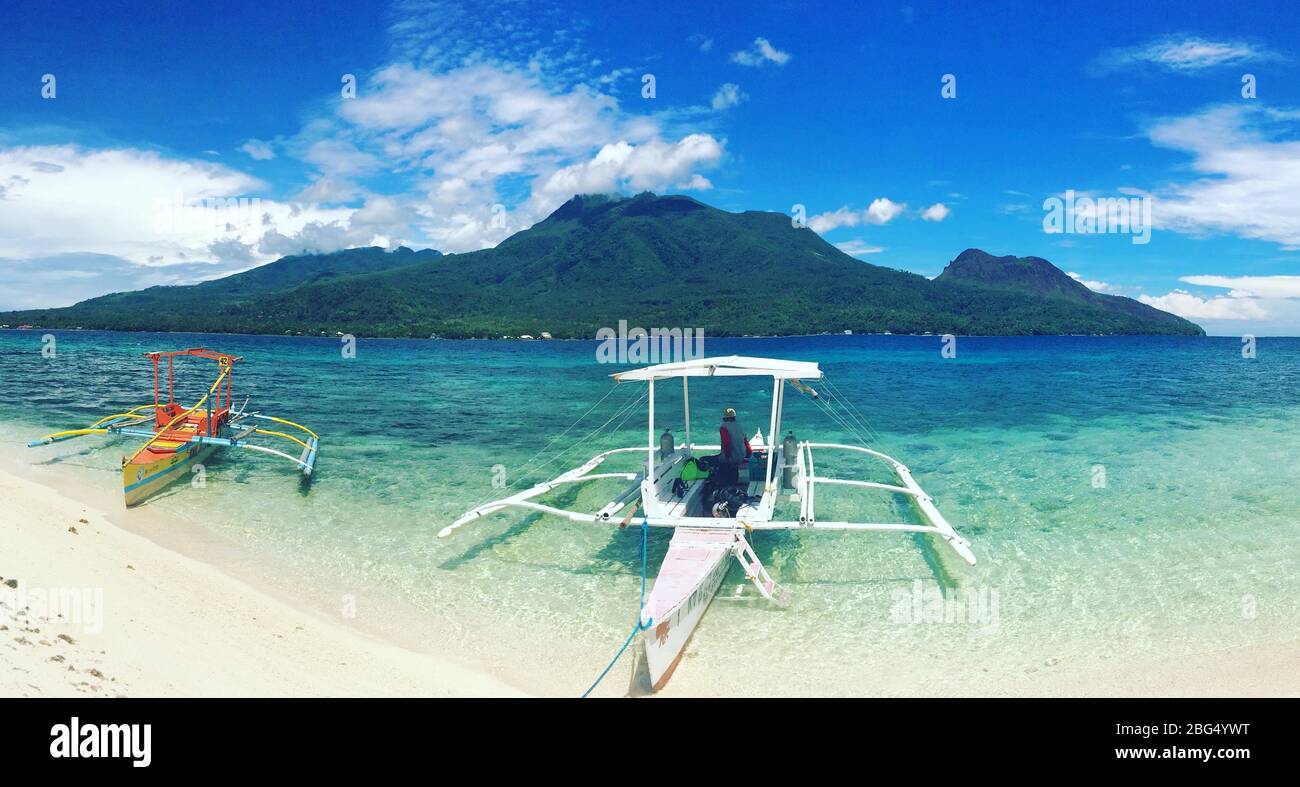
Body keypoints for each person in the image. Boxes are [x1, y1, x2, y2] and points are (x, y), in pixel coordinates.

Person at [711, 407, 751, 485]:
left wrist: (727, 457)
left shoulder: (723, 427)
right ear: (734, 417)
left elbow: (726, 443)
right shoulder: (739, 426)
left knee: (706, 459)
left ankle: (720, 483)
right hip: (742, 456)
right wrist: (748, 455)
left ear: (724, 418)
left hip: (731, 458)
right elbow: (747, 444)